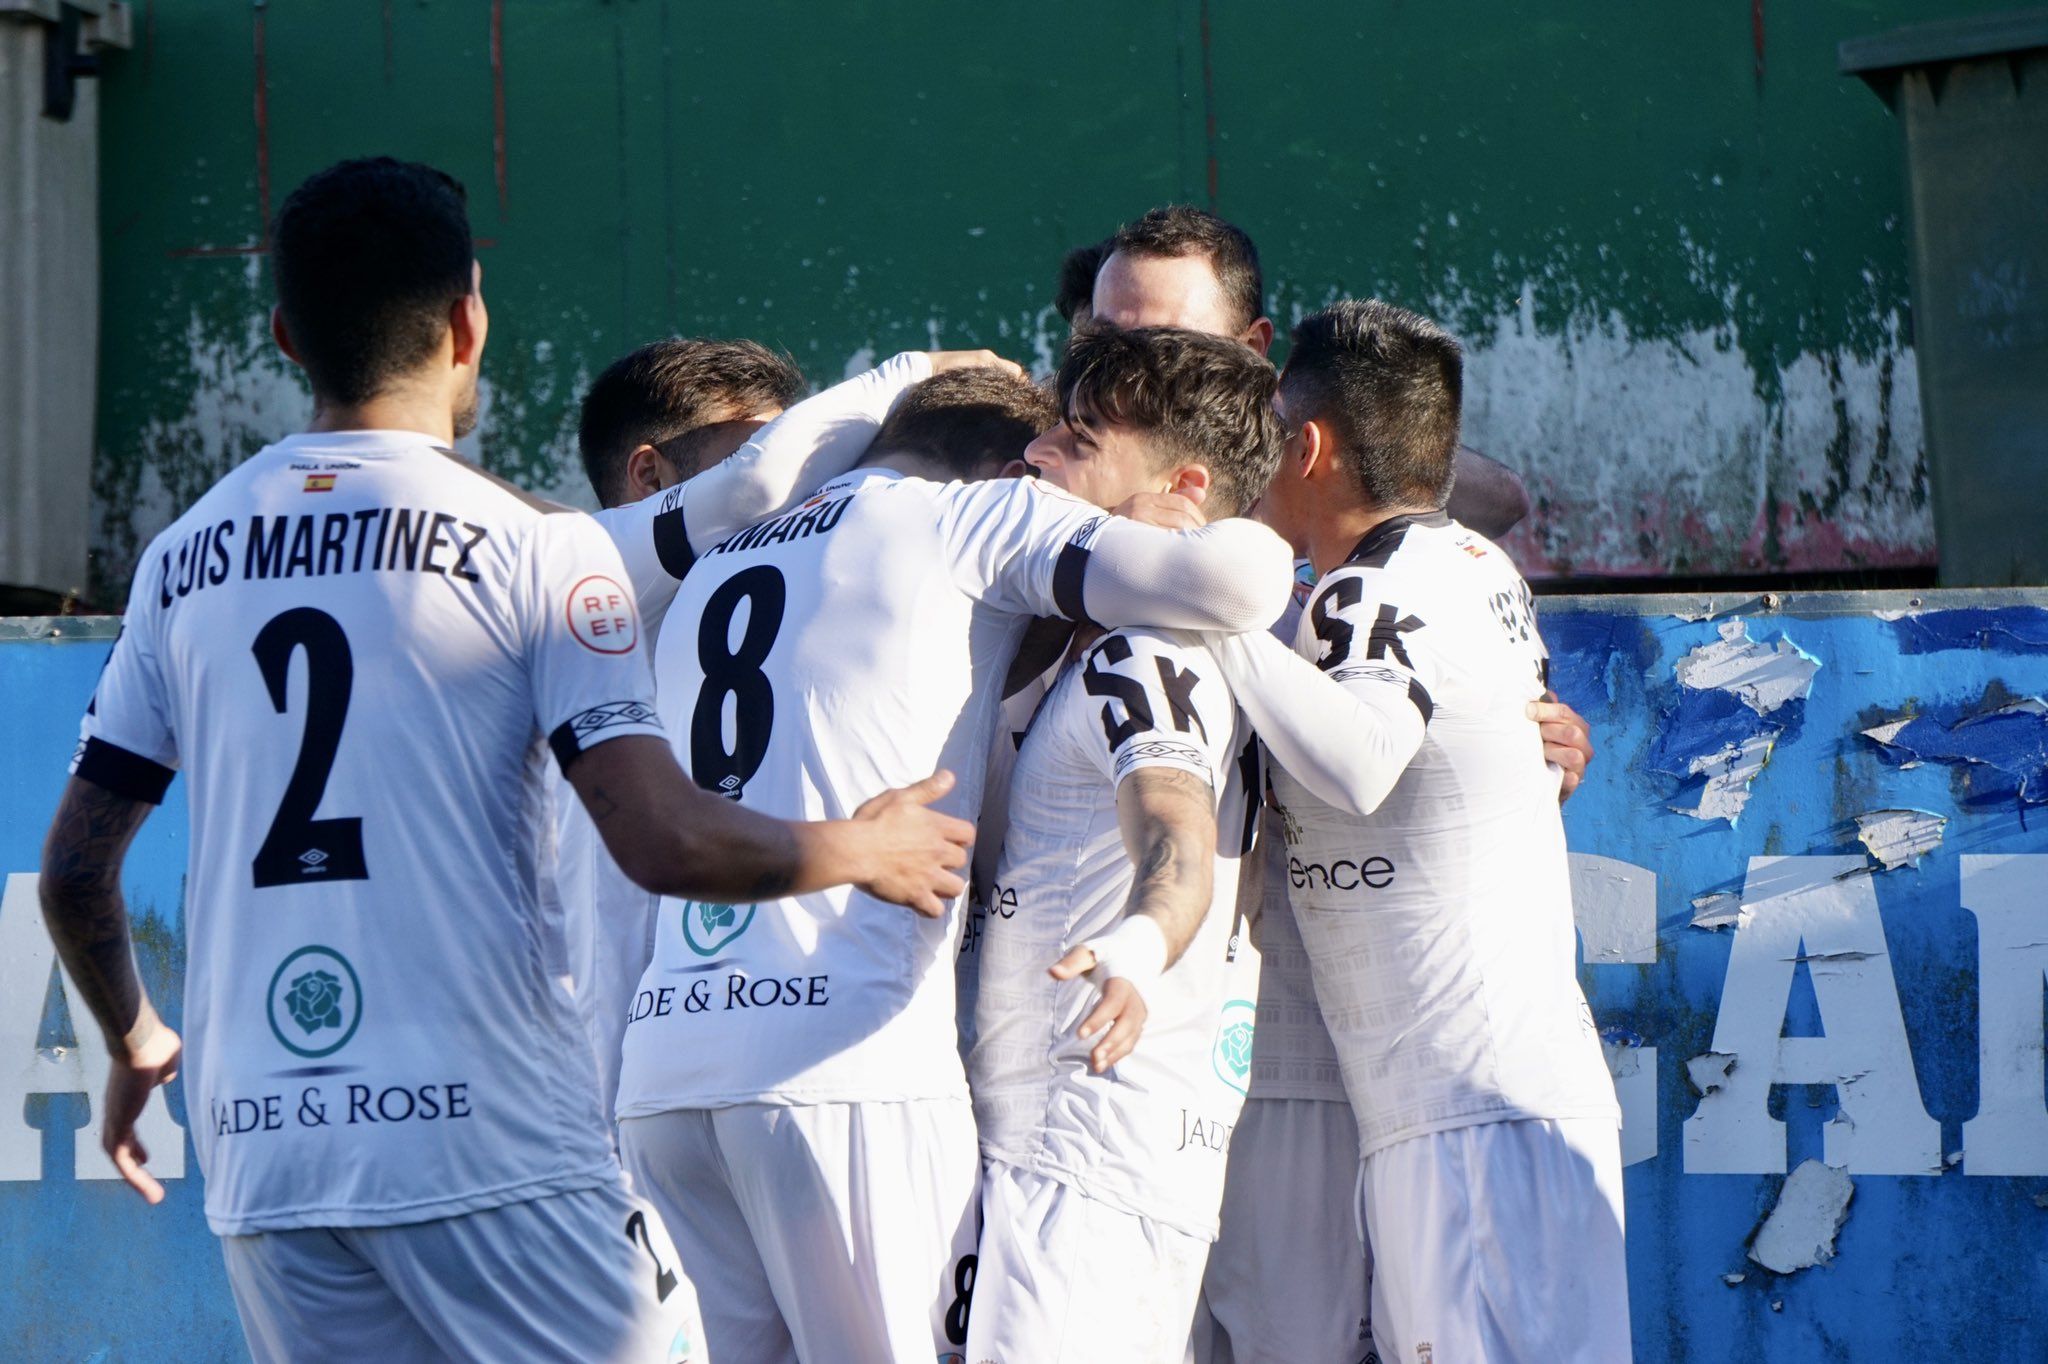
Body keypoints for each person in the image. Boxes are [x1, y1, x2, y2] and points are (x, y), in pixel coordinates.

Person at [35, 156, 974, 1364]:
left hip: (269, 1145)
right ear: (468, 318)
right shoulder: (537, 550)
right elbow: (663, 840)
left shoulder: (178, 560)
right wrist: (865, 843)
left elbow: (74, 868)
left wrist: (133, 1035)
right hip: (486, 1143)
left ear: (282, 335)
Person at [612, 364, 1297, 1363]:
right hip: (845, 1058)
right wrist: (1164, 532)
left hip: (667, 1073)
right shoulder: (975, 517)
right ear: (1001, 464)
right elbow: (1240, 582)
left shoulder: (712, 563)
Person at [1219, 300, 1630, 1363]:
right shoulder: (1473, 565)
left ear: (1304, 444)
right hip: (1476, 1101)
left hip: (1467, 1111)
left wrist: (1203, 611)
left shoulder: (1365, 589)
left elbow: (1359, 761)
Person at [563, 338, 1006, 1122]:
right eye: (768, 442)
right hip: (604, 1099)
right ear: (648, 476)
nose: (798, 486)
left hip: (691, 1071)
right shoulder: (588, 565)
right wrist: (915, 372)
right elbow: (752, 483)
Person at [964, 326, 1285, 1363]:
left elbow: (1175, 824)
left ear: (1179, 486)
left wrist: (1141, 943)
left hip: (1082, 1137)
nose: (1035, 455)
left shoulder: (1146, 652)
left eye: (1078, 436)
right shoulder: (1098, 643)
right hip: (1074, 1136)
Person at [1088, 204, 1536, 539]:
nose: (1129, 367)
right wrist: (1090, 546)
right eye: (1107, 339)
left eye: (1170, 343)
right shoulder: (1056, 447)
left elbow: (1503, 503)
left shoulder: (1296, 445)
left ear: (1252, 348)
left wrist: (1303, 426)